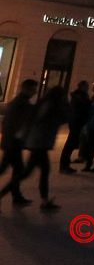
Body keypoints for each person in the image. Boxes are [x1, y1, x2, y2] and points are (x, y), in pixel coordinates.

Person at [0, 79, 38, 209]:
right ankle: (15, 196)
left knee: (14, 169)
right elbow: (21, 123)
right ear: (26, 89)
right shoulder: (22, 104)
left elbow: (5, 123)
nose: (35, 92)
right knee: (17, 170)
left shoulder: (16, 102)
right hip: (13, 143)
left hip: (11, 142)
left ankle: (17, 196)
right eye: (33, 89)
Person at [59, 80, 92, 173]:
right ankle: (64, 165)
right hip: (76, 123)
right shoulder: (78, 97)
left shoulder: (81, 96)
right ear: (81, 87)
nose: (87, 88)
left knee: (72, 144)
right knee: (70, 144)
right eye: (86, 86)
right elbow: (80, 109)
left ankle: (65, 164)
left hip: (78, 123)